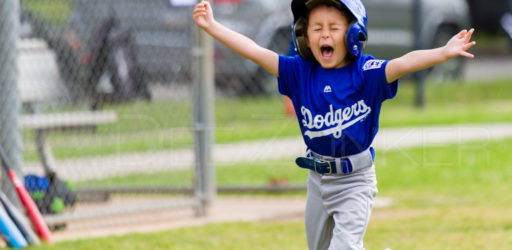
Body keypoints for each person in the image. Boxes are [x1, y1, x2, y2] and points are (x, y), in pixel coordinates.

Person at [193, 0, 476, 249]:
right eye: (316, 28)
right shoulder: (298, 72)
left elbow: (403, 63)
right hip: (317, 181)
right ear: (304, 36)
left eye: (334, 28)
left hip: (355, 182)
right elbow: (255, 52)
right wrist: (213, 27)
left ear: (353, 34)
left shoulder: (365, 73)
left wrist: (443, 52)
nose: (324, 34)